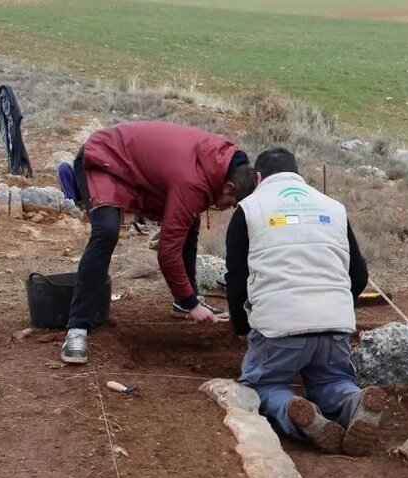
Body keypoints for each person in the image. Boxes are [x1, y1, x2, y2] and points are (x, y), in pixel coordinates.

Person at [225, 147, 384, 456]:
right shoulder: (334, 207)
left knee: (263, 386)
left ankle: (295, 412)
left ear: (258, 177)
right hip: (334, 326)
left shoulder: (249, 209)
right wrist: (334, 307)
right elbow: (359, 274)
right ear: (298, 174)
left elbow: (236, 277)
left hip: (279, 328)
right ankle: (353, 402)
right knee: (332, 379)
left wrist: (241, 324)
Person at [60, 121, 253, 365]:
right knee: (106, 231)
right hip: (105, 157)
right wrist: (193, 305)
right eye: (232, 201)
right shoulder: (193, 181)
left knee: (188, 222)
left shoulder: (220, 161)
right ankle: (77, 328)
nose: (226, 208)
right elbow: (167, 254)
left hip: (134, 165)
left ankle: (182, 302)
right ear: (229, 186)